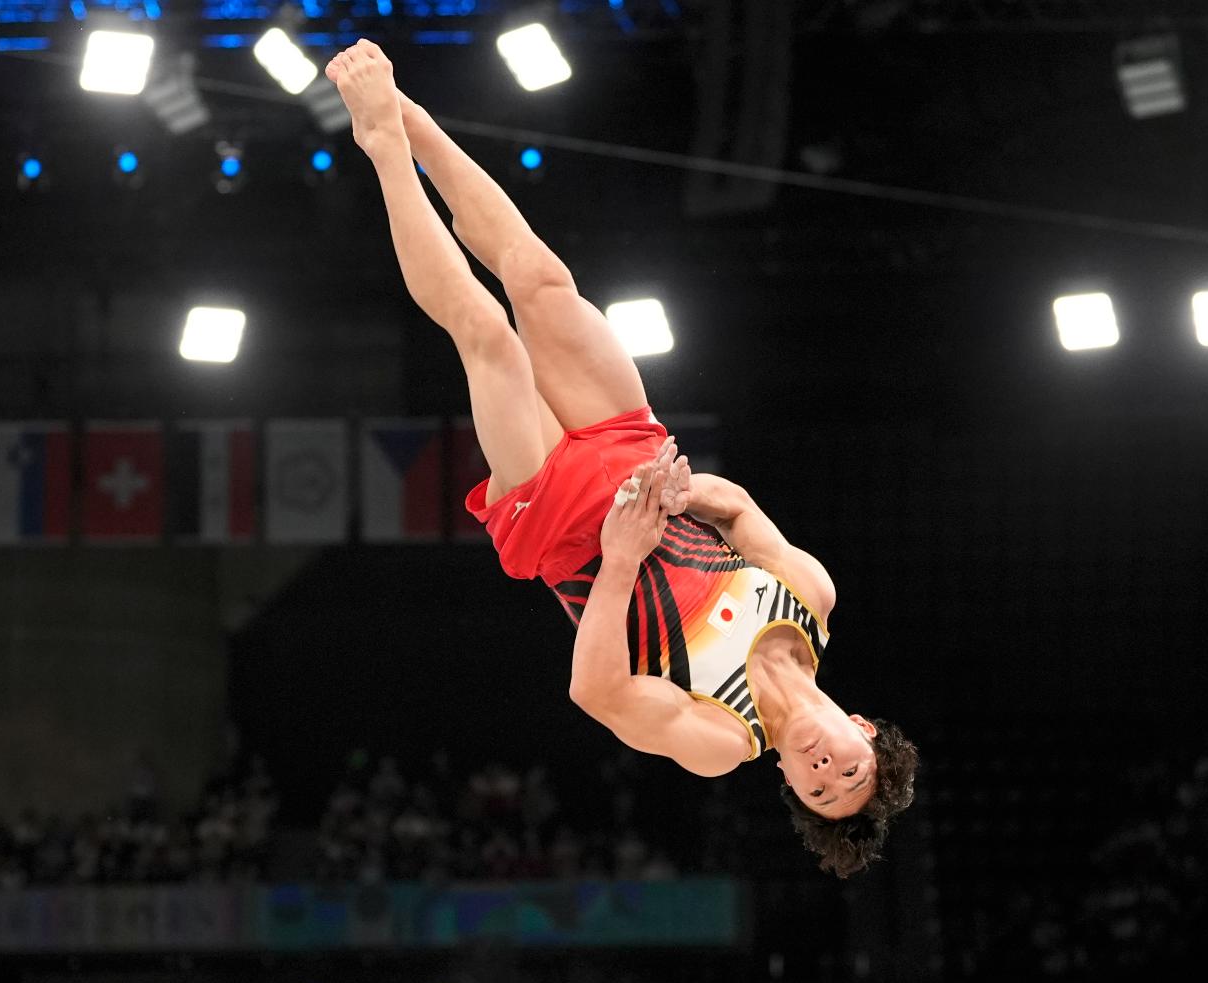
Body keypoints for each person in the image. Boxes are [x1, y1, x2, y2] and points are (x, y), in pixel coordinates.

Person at [325, 39, 918, 875]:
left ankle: (382, 142)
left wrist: (620, 558)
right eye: (848, 770)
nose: (826, 771)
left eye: (819, 790)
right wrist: (682, 492)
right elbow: (740, 508)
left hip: (568, 531)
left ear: (788, 781)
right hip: (633, 457)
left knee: (489, 336)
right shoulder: (811, 598)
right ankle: (417, 122)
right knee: (538, 280)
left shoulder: (722, 739)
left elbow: (595, 692)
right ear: (862, 729)